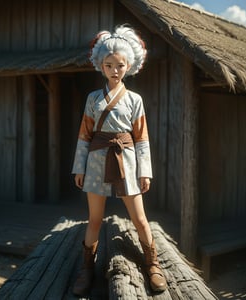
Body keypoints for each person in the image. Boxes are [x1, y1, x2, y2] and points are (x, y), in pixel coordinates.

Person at [71, 24, 167, 296]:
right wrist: (79, 167)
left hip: (127, 161)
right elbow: (84, 135)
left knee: (140, 218)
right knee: (94, 220)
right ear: (100, 65)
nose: (114, 69)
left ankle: (153, 264)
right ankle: (86, 268)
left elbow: (142, 139)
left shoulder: (135, 100)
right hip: (97, 161)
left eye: (120, 65)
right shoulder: (92, 98)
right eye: (109, 64)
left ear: (129, 67)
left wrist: (145, 171)